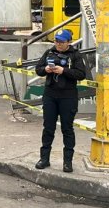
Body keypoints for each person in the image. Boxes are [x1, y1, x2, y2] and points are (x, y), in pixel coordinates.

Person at [34, 28, 86, 173]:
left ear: (69, 42)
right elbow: (38, 69)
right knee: (48, 128)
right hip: (50, 95)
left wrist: (64, 71)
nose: (58, 44)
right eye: (56, 41)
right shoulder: (50, 52)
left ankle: (67, 162)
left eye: (61, 42)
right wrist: (46, 69)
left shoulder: (75, 55)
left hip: (68, 96)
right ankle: (44, 159)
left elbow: (81, 74)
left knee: (67, 129)